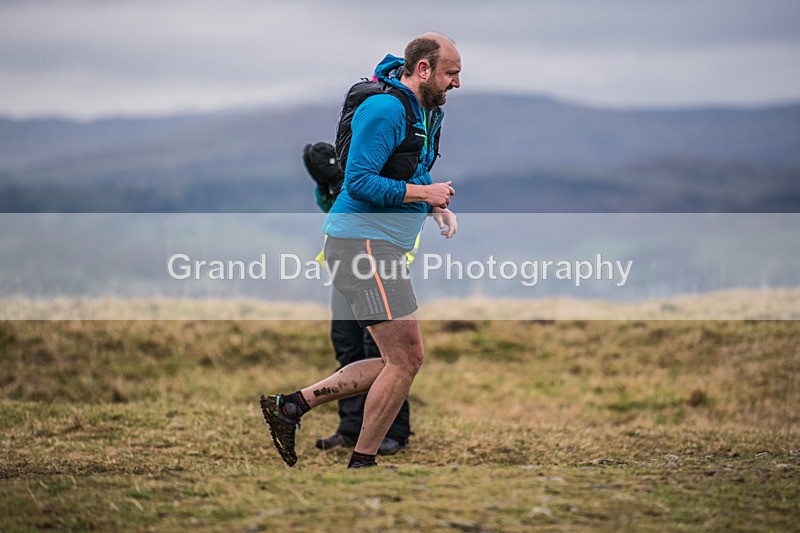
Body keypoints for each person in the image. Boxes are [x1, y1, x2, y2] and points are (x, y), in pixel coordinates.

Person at [262, 32, 460, 469]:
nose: (457, 83)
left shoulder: (426, 113)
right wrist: (424, 193)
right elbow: (360, 182)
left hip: (377, 245)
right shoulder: (385, 108)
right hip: (362, 244)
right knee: (405, 359)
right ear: (423, 69)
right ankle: (362, 461)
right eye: (451, 73)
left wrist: (431, 206)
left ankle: (291, 407)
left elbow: (415, 169)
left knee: (397, 359)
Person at [302, 141, 412, 455]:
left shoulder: (389, 178)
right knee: (347, 350)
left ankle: (393, 432)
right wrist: (327, 185)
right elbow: (333, 209)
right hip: (346, 273)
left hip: (381, 273)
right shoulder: (356, 179)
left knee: (387, 358)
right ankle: (350, 429)